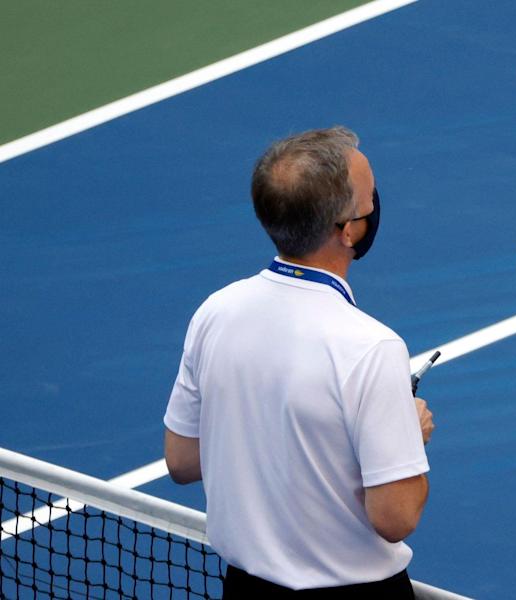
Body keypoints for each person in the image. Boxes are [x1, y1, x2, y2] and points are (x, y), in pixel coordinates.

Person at [163, 126, 434, 598]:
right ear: (348, 229)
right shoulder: (370, 347)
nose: (376, 205)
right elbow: (396, 517)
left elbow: (183, 460)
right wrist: (407, 432)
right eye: (370, 198)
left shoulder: (215, 312)